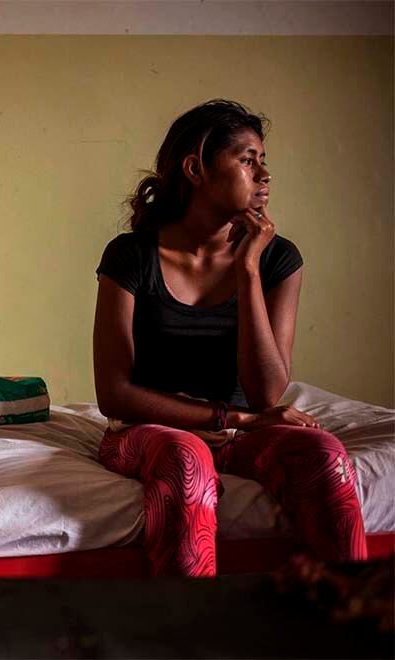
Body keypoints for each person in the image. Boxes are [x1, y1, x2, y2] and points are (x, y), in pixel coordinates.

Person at [92, 99, 367, 577]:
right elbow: (114, 394)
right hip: (150, 430)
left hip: (241, 434)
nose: (264, 175)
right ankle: (192, 621)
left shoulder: (277, 259)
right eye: (247, 160)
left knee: (324, 454)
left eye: (263, 161)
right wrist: (234, 417)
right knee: (187, 459)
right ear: (195, 169)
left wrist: (248, 271)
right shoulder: (131, 256)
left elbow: (267, 393)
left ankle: (353, 609)